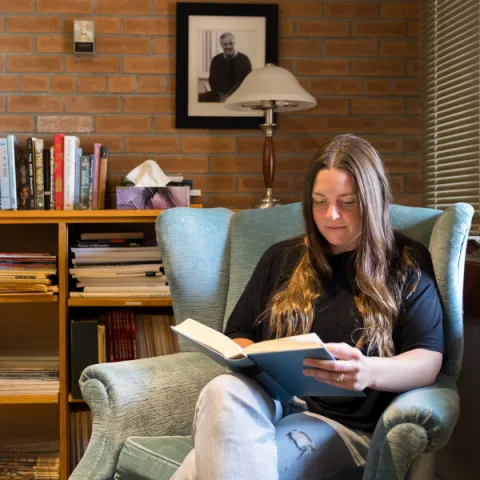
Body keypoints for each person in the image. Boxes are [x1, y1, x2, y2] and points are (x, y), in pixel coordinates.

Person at [172, 134, 444, 480]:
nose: (331, 215)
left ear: (372, 201)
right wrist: (251, 356)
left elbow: (429, 360)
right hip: (269, 406)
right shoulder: (281, 258)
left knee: (199, 468)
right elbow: (239, 333)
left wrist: (369, 371)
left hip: (343, 425)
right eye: (319, 202)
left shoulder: (406, 263)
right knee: (220, 389)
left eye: (347, 202)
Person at [198, 32, 252, 103]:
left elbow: (247, 81)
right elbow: (213, 81)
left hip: (239, 96)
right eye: (225, 44)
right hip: (220, 96)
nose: (228, 46)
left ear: (235, 43)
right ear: (221, 45)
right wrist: (222, 95)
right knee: (197, 97)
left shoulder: (244, 59)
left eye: (231, 43)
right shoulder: (216, 60)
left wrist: (230, 95)